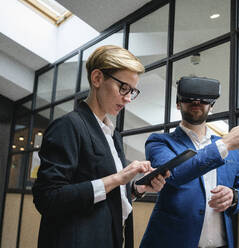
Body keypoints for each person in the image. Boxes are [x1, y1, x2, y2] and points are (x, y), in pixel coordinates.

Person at [32, 45, 169, 248]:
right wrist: (117, 178)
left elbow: (104, 196)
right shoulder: (68, 125)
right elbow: (48, 198)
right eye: (123, 88)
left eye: (132, 91)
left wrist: (135, 189)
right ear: (97, 78)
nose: (128, 98)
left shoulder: (113, 136)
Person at [140, 76, 239, 248]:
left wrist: (234, 196)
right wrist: (225, 144)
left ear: (211, 106)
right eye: (189, 99)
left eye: (203, 100)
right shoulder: (159, 142)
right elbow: (176, 174)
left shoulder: (229, 149)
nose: (196, 102)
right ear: (178, 104)